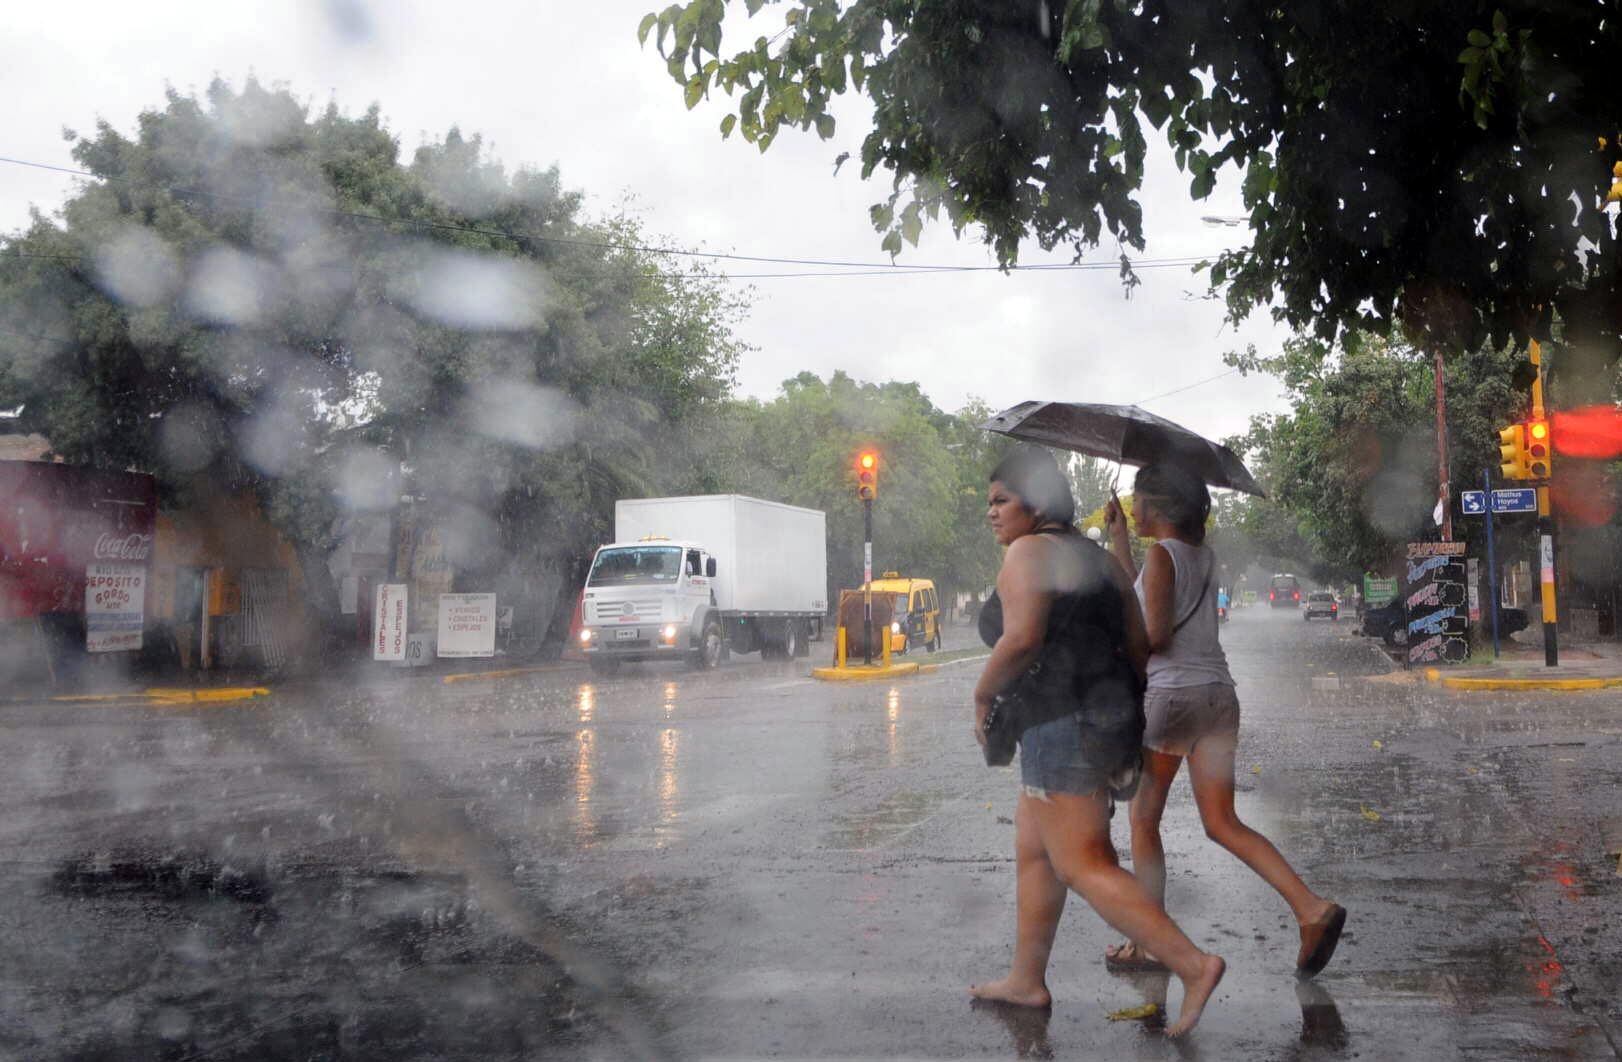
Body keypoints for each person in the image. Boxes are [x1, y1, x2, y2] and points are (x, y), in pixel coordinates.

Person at [969, 446, 1226, 1038]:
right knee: (1036, 848)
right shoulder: (1104, 563)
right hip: (1104, 723)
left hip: (1060, 724)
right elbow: (1139, 647)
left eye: (1001, 501)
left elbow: (1022, 638)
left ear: (1035, 505)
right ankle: (1025, 980)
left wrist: (983, 696)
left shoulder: (1028, 552)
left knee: (1084, 863)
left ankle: (1192, 964)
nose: (993, 514)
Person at [1102, 463, 1345, 979]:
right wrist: (1118, 540)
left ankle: (1149, 942)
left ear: (1160, 507)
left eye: (1137, 500)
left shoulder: (1162, 556)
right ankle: (1310, 907)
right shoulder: (1201, 557)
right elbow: (1144, 592)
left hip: (1173, 699)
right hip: (1217, 696)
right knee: (1223, 822)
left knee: (1144, 820)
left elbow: (1156, 633)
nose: (1132, 507)